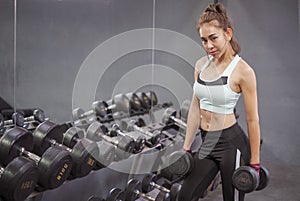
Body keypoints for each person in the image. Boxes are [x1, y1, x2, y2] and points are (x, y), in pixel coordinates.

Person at [178, 3, 261, 201]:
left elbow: (252, 120)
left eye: (213, 38)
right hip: (207, 142)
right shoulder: (201, 64)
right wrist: (186, 147)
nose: (208, 46)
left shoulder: (243, 71)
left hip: (231, 144)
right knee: (185, 196)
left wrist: (255, 162)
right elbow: (195, 108)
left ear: (228, 33)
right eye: (204, 40)